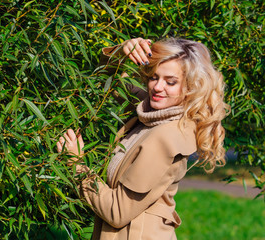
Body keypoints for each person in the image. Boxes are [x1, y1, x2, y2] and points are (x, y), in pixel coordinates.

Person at [56, 38, 229, 240]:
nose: (157, 87)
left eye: (170, 82)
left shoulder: (166, 137)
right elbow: (107, 81)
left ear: (190, 87)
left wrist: (77, 164)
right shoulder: (151, 112)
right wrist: (121, 52)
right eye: (154, 77)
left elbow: (117, 211)